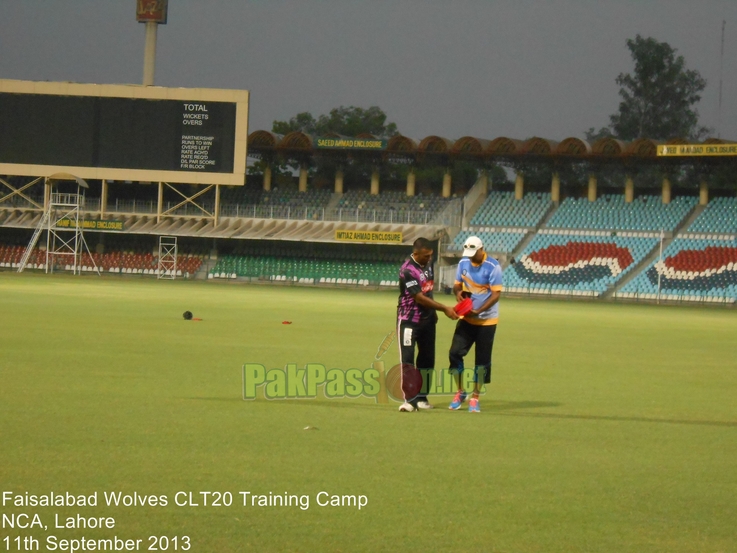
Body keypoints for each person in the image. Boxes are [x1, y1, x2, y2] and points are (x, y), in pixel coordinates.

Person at [397, 237, 459, 412]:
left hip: (428, 321)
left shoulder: (428, 265)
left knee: (427, 360)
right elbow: (419, 297)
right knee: (408, 360)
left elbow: (428, 290)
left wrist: (433, 313)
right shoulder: (407, 270)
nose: (429, 259)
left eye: (431, 255)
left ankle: (422, 398)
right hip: (409, 321)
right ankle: (409, 400)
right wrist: (444, 308)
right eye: (425, 256)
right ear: (416, 253)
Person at [448, 236, 503, 413]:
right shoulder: (463, 262)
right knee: (454, 353)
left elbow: (496, 295)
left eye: (474, 253)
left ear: (481, 249)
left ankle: (475, 397)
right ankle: (460, 392)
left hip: (487, 321)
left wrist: (479, 311)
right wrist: (458, 295)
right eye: (469, 254)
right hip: (467, 319)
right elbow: (457, 286)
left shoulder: (493, 267)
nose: (471, 257)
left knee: (482, 361)